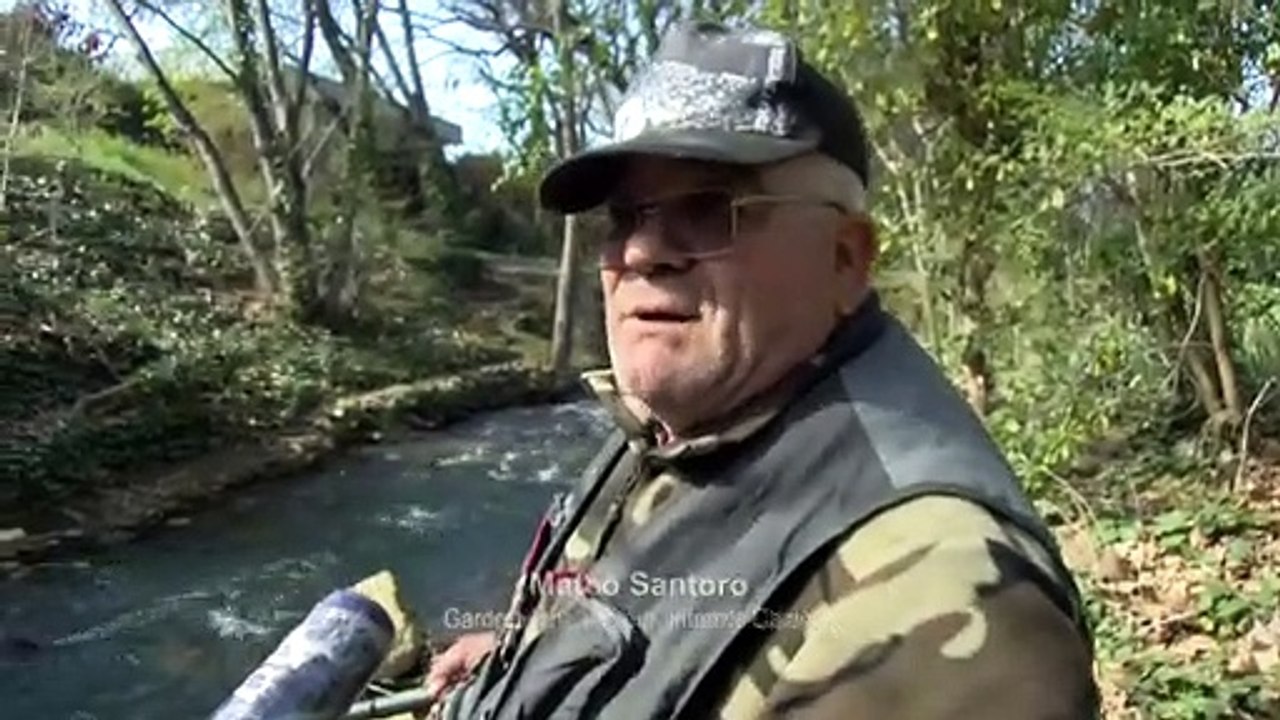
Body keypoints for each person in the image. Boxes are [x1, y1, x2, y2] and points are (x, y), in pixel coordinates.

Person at [424, 20, 1101, 720]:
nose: (642, 252)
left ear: (844, 259)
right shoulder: (693, 415)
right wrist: (525, 659)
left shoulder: (932, 601)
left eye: (708, 210)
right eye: (624, 218)